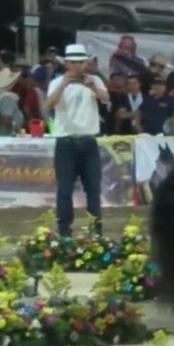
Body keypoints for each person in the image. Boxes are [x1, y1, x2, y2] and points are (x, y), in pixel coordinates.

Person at [45, 44, 110, 237]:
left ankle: (95, 231)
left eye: (81, 62)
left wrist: (93, 87)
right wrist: (64, 84)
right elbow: (49, 104)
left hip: (89, 141)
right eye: (73, 63)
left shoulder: (95, 79)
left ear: (86, 63)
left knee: (93, 190)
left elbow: (106, 98)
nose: (77, 66)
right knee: (64, 190)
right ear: (67, 64)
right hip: (66, 142)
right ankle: (64, 231)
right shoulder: (57, 82)